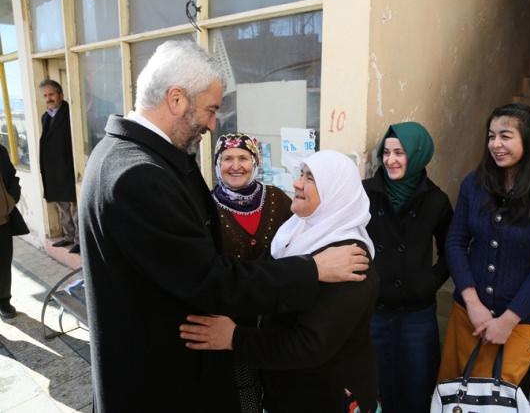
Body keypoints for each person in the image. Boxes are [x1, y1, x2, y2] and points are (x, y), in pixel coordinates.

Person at [79, 40, 369, 413]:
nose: (213, 124)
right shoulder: (137, 175)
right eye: (212, 109)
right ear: (176, 99)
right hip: (162, 387)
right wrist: (312, 269)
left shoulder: (134, 158)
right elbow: (209, 280)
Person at [181, 150, 380, 413]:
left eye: (310, 178)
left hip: (325, 397)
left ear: (336, 192)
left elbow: (309, 345)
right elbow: (266, 280)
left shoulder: (350, 258)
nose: (297, 183)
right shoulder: (294, 232)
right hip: (287, 392)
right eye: (301, 174)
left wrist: (234, 338)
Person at [438, 103, 530, 386]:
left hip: (517, 324)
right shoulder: (475, 183)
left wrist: (508, 320)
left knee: (494, 399)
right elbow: (455, 241)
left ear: (529, 138)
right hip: (468, 317)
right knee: (453, 395)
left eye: (505, 136)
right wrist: (472, 303)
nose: (495, 144)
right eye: (491, 136)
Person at [363, 121, 452, 412]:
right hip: (374, 310)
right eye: (386, 152)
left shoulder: (436, 200)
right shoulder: (366, 192)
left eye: (399, 153)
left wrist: (428, 282)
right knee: (374, 389)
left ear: (417, 154)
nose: (390, 160)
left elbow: (452, 250)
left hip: (417, 315)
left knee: (416, 388)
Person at [211, 132, 294, 412]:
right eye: (227, 158)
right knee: (242, 387)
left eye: (243, 158)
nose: (236, 166)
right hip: (232, 322)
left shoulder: (278, 199)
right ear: (217, 164)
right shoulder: (206, 207)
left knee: (279, 385)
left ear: (255, 162)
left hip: (277, 318)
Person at [39, 79, 79, 254]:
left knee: (75, 207)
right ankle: (69, 236)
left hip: (68, 167)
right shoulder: (46, 116)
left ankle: (79, 240)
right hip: (54, 171)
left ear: (60, 95)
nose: (48, 98)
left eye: (52, 94)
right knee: (63, 208)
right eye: (45, 96)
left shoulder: (70, 113)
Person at [0, 144, 29, 319]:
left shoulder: (0, 150)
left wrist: (11, 199)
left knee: (3, 263)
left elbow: (11, 177)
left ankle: (4, 300)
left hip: (2, 220)